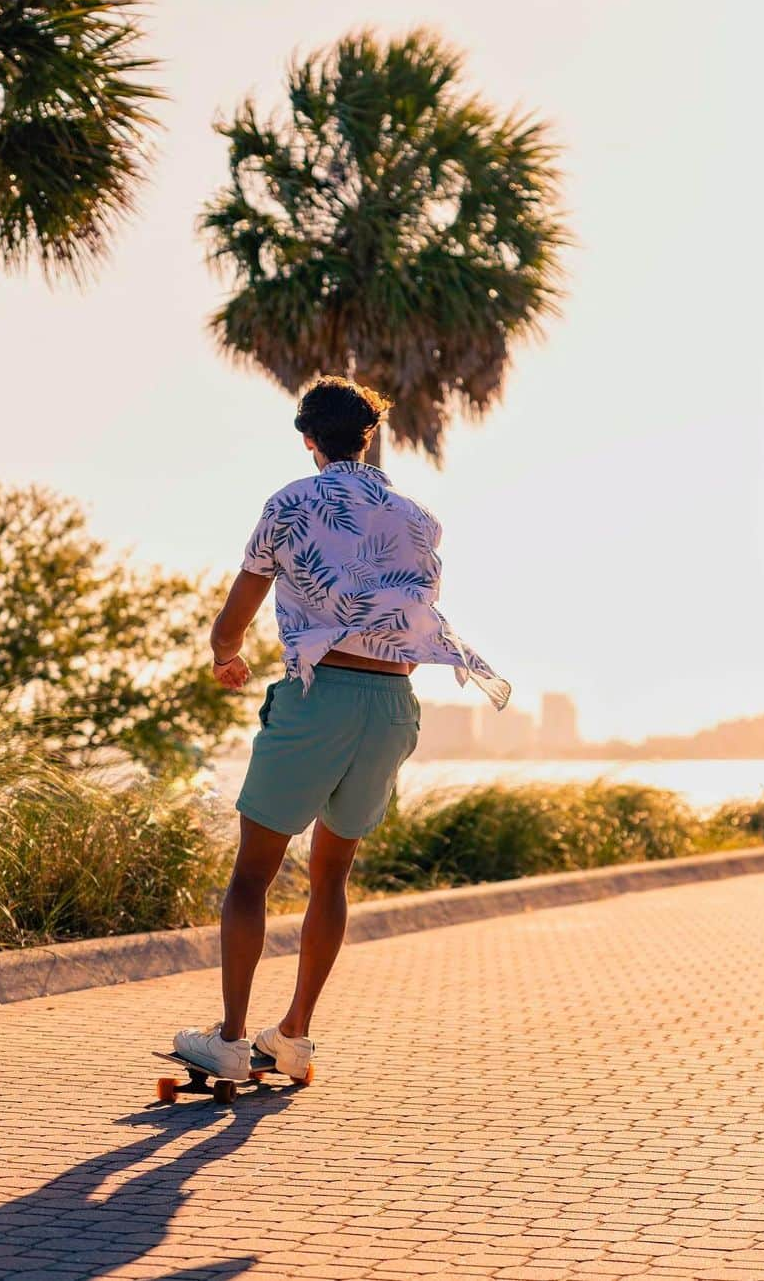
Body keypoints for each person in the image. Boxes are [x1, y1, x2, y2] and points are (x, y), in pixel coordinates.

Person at [175, 376, 510, 1081]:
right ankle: (293, 1034)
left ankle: (232, 1041)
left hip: (320, 697)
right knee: (331, 876)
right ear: (368, 435)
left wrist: (224, 655)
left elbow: (239, 606)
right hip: (391, 707)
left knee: (252, 877)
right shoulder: (417, 517)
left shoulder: (292, 502)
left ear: (308, 440)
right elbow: (413, 613)